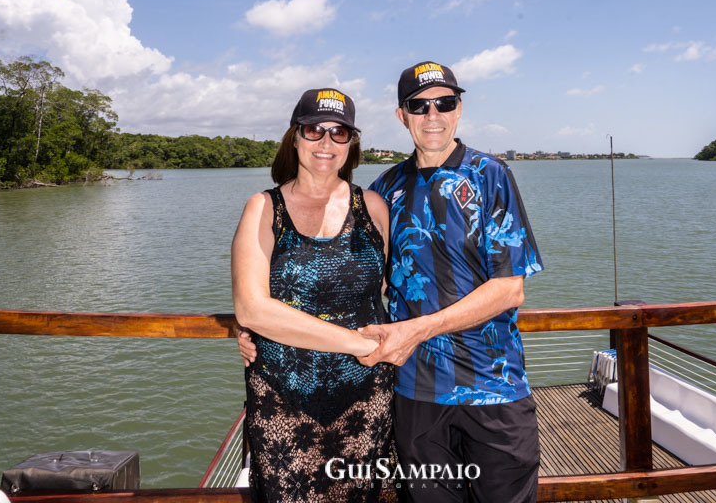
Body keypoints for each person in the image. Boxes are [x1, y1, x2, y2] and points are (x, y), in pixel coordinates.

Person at [359, 60, 544, 502]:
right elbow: (358, 283)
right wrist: (264, 333)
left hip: (494, 387)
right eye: (419, 106)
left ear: (459, 109)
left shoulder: (490, 175)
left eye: (445, 103)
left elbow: (509, 288)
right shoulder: (384, 190)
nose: (433, 115)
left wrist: (419, 328)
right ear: (402, 115)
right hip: (417, 395)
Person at [231, 88, 395, 503]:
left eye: (339, 132)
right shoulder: (264, 208)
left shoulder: (373, 207)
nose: (326, 142)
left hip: (367, 397)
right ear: (295, 137)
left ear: (351, 143)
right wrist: (355, 342)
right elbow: (251, 306)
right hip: (283, 400)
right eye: (313, 130)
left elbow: (390, 293)